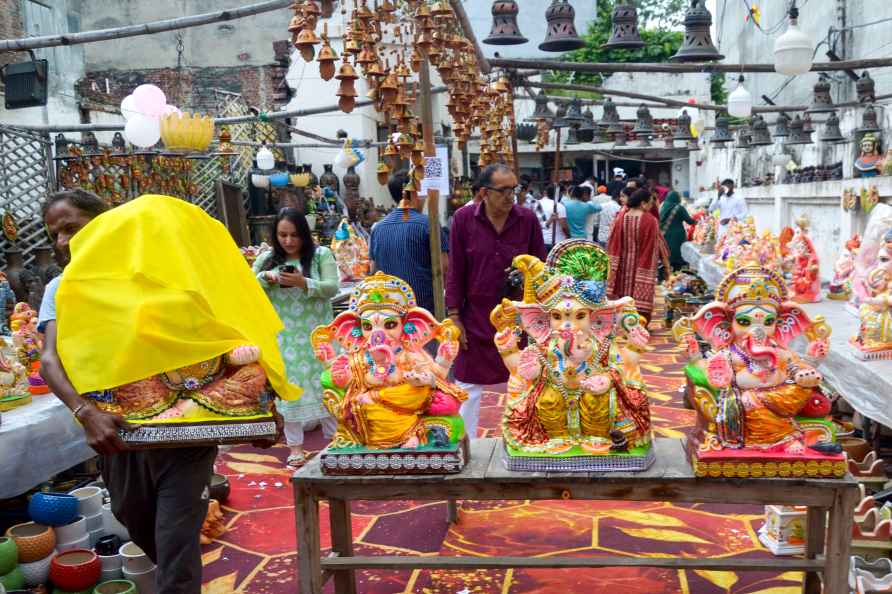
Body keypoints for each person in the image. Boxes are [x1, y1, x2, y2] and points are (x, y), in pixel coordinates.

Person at [38, 190, 286, 594]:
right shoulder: (61, 288)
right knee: (136, 523)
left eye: (71, 227)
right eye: (54, 234)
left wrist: (259, 408)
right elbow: (51, 361)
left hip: (188, 439)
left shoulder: (163, 275)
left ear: (107, 223)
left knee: (175, 545)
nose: (63, 241)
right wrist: (87, 412)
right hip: (120, 438)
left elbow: (232, 337)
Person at [447, 163, 546, 439]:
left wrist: (541, 317)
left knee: (526, 378)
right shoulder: (463, 219)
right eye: (503, 190)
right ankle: (465, 444)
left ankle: (526, 438)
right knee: (467, 384)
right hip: (475, 314)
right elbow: (455, 270)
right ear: (483, 193)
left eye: (513, 189)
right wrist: (454, 317)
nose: (510, 196)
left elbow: (541, 267)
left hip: (519, 315)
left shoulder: (526, 220)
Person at [254, 208, 339, 467]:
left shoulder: (321, 256)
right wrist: (265, 277)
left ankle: (337, 441)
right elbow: (247, 287)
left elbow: (332, 287)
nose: (288, 241)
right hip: (286, 339)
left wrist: (304, 283)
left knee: (326, 387)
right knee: (289, 393)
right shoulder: (267, 259)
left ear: (304, 234)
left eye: (294, 235)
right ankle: (295, 448)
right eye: (282, 235)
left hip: (318, 338)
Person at [370, 170, 449, 315]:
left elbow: (373, 269)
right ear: (413, 193)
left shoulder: (378, 228)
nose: (424, 197)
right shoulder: (428, 224)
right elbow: (443, 267)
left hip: (389, 311)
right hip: (423, 311)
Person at [606, 188, 671, 324]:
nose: (651, 206)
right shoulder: (650, 220)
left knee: (623, 293)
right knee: (638, 297)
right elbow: (655, 245)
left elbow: (612, 241)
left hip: (622, 266)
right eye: (650, 203)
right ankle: (638, 324)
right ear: (643, 203)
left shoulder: (621, 217)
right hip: (641, 265)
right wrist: (666, 265)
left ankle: (623, 321)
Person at [660, 190, 697, 272]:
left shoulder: (663, 205)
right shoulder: (679, 208)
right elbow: (690, 221)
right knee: (677, 254)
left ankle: (667, 271)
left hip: (664, 235)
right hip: (677, 236)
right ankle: (677, 270)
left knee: (668, 252)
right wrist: (697, 221)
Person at [534, 183, 569, 253]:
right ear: (558, 194)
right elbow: (564, 226)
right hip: (557, 242)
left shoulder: (537, 203)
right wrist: (569, 236)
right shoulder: (559, 206)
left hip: (542, 240)